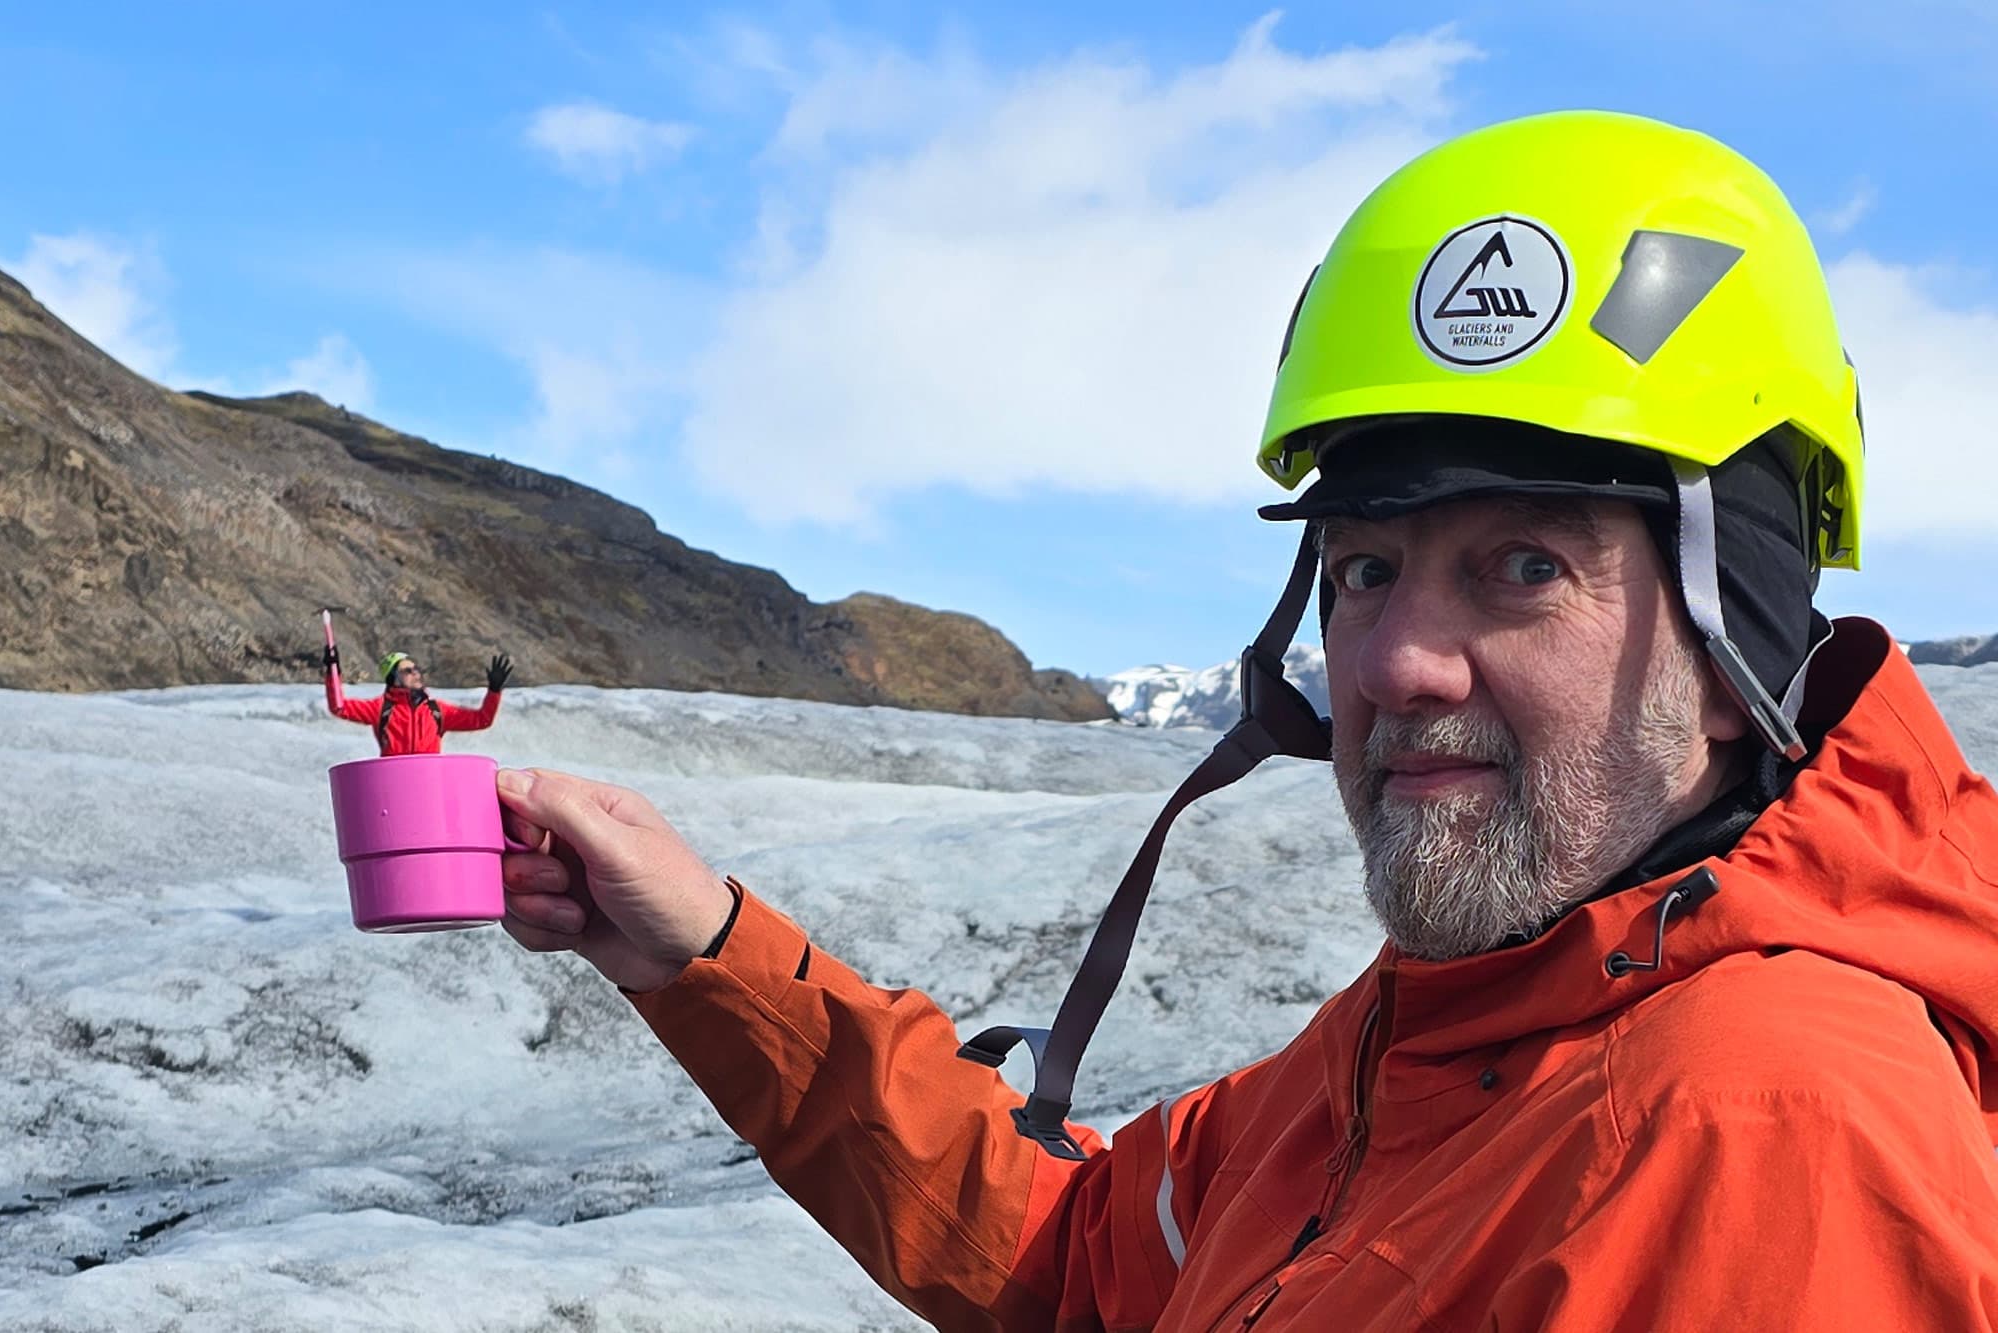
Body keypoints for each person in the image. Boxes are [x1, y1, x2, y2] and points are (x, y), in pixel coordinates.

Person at [493, 110, 1998, 1330]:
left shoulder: (1760, 1130)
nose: (1398, 661)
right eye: (1359, 569)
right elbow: (1081, 1250)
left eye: (1525, 567)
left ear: (1735, 626)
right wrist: (703, 953)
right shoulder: (1450, 1027)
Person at [324, 643, 512, 756]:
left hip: (428, 784)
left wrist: (494, 691)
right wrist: (333, 671)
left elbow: (482, 720)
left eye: (416, 669)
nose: (416, 673)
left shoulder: (436, 710)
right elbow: (339, 707)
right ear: (393, 679)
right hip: (393, 784)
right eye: (407, 671)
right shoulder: (381, 708)